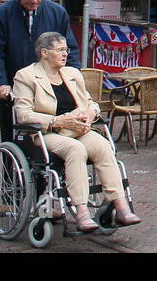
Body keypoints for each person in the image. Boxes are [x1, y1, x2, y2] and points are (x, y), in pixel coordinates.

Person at [13, 32, 140, 232]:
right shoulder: (26, 76)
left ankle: (121, 206)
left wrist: (91, 114)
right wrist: (57, 120)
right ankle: (82, 211)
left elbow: (89, 102)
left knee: (104, 147)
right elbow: (23, 114)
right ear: (44, 53)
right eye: (60, 50)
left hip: (78, 129)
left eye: (66, 49)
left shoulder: (72, 74)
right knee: (76, 150)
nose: (65, 54)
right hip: (46, 134)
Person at [0, 0, 78, 142]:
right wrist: (1, 84)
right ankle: (10, 168)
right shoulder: (1, 16)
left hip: (49, 88)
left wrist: (73, 80)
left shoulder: (57, 13)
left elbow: (70, 50)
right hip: (15, 89)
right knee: (12, 136)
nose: (34, 0)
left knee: (55, 136)